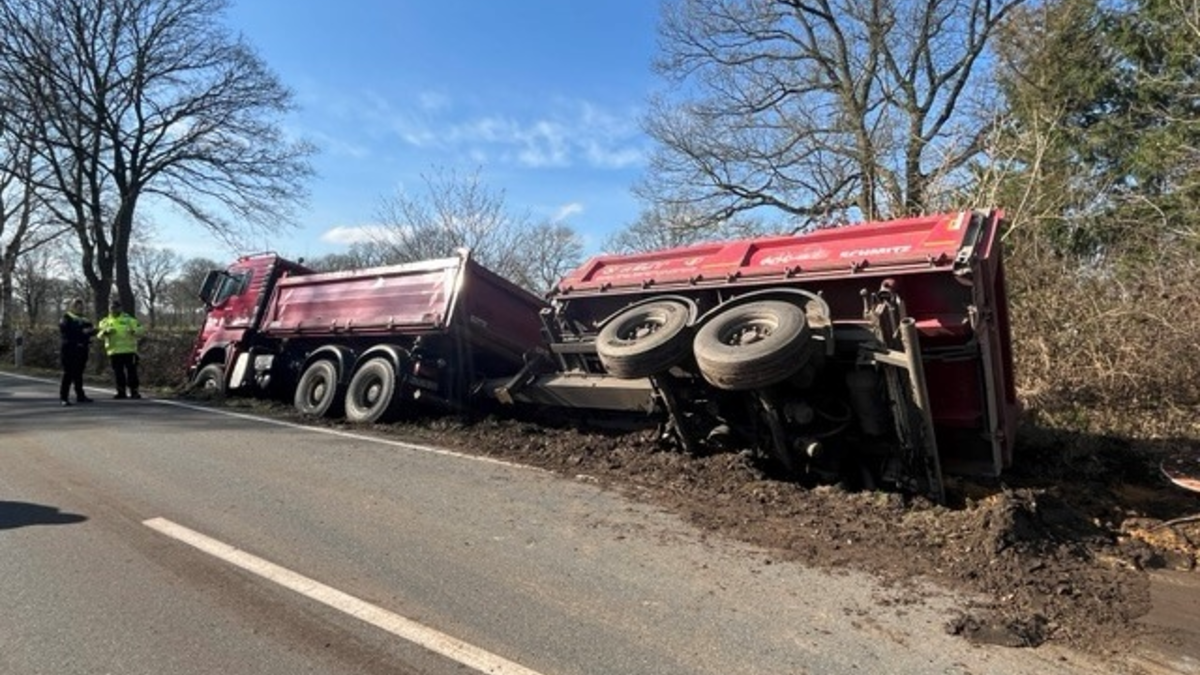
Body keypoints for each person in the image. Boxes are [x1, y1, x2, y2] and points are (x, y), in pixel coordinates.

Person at [97, 298, 146, 399]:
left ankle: (134, 391)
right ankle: (121, 391)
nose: (113, 310)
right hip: (114, 351)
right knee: (118, 373)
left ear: (120, 308)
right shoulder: (105, 321)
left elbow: (141, 329)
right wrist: (105, 332)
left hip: (129, 350)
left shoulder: (129, 320)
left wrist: (134, 331)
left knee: (132, 372)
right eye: (111, 308)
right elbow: (99, 335)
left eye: (115, 308)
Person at [58, 298, 95, 406]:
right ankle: (64, 397)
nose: (80, 308)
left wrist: (93, 331)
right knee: (68, 373)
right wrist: (80, 330)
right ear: (72, 307)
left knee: (79, 373)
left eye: (81, 306)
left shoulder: (85, 319)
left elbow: (90, 329)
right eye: (77, 306)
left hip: (82, 348)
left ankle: (80, 395)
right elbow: (64, 329)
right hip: (69, 348)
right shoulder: (66, 317)